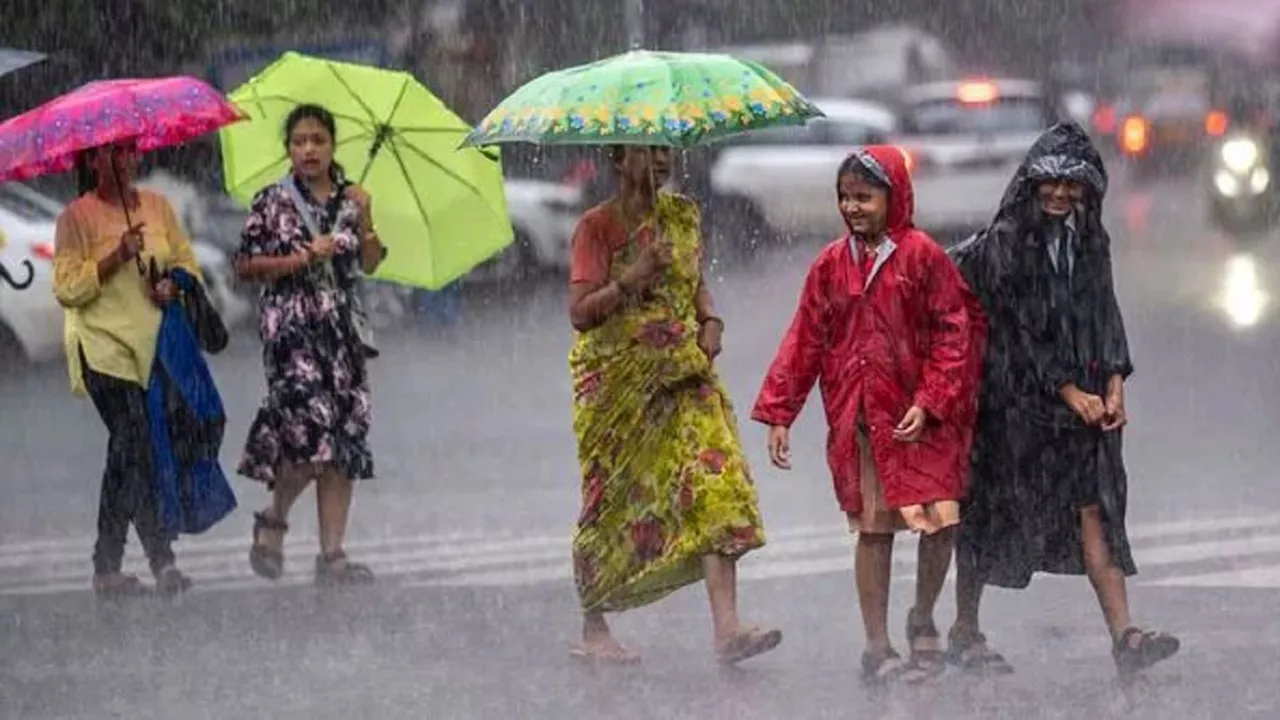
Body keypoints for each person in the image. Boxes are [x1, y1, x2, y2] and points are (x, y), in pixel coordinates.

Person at [947, 122, 1179, 677]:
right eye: (1048, 183)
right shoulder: (1007, 244)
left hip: (1081, 407)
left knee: (1094, 511)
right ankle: (963, 627)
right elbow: (1020, 330)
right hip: (1013, 408)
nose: (1058, 194)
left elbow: (1104, 312)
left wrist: (1116, 380)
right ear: (1030, 183)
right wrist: (1067, 389)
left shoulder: (1089, 239)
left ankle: (1125, 636)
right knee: (990, 513)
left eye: (1070, 184)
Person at [753, 147, 981, 685]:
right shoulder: (831, 266)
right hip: (865, 422)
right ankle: (877, 647)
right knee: (874, 532)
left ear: (894, 196)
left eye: (865, 196)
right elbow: (805, 341)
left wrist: (930, 401)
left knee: (940, 523)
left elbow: (954, 335)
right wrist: (781, 411)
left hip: (925, 421)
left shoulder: (924, 257)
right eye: (845, 197)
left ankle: (923, 614)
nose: (853, 207)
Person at [567, 144, 780, 665]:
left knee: (715, 481)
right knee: (613, 499)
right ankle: (595, 628)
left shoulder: (683, 216)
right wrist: (631, 278)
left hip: (685, 371)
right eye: (648, 151)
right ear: (619, 158)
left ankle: (727, 628)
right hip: (619, 384)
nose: (661, 160)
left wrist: (711, 320)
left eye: (667, 150)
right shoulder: (596, 228)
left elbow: (695, 284)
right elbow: (580, 313)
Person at [236, 104, 386, 587]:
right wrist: (300, 257)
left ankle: (333, 555)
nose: (309, 149)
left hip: (341, 333)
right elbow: (246, 265)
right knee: (308, 434)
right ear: (288, 149)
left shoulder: (350, 197)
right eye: (300, 141)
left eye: (318, 140)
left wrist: (366, 220)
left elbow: (372, 261)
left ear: (332, 146)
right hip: (291, 331)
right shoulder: (272, 201)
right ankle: (274, 518)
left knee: (343, 441)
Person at [52, 139, 202, 598]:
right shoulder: (75, 217)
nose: (121, 161)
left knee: (131, 455)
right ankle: (159, 561)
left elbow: (186, 267)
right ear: (92, 160)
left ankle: (109, 567)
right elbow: (68, 290)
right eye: (109, 153)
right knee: (133, 440)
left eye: (127, 151)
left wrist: (171, 289)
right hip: (101, 350)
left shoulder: (157, 208)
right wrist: (116, 255)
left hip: (151, 350)